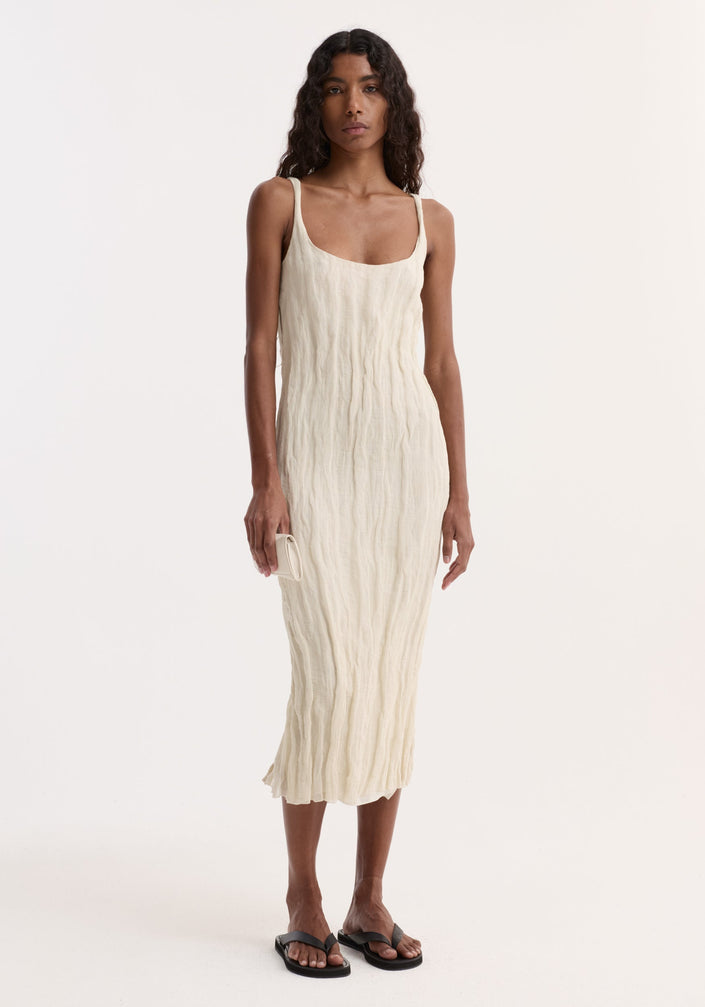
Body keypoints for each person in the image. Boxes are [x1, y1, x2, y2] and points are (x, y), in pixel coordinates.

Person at [243, 28, 474, 978]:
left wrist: (459, 492)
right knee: (328, 674)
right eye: (336, 89)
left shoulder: (431, 220)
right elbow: (259, 348)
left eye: (370, 88)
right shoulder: (280, 202)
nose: (353, 105)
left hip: (404, 471)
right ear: (317, 102)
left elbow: (440, 362)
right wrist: (265, 477)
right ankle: (302, 892)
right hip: (313, 466)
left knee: (386, 678)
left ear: (392, 104)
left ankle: (368, 896)